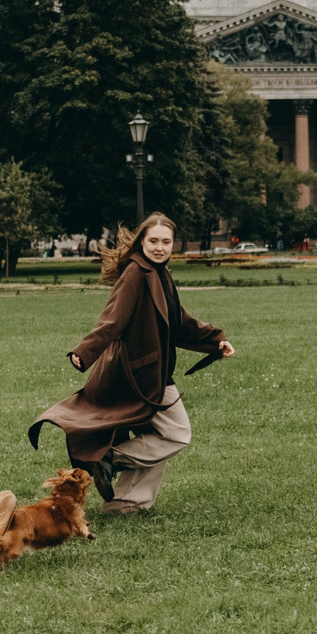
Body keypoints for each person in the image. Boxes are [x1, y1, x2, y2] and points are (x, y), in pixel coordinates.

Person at [26, 212, 232, 514]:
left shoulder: (160, 272)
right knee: (177, 434)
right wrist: (84, 351)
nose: (160, 247)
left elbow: (179, 321)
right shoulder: (136, 273)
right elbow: (113, 319)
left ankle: (126, 504)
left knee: (158, 441)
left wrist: (215, 339)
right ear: (142, 242)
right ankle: (104, 458)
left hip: (154, 372)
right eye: (153, 241)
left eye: (166, 242)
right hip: (137, 376)